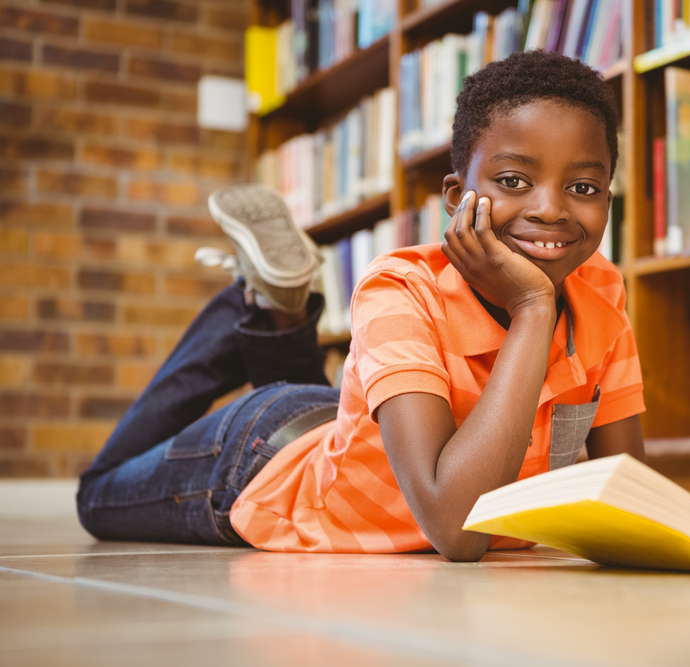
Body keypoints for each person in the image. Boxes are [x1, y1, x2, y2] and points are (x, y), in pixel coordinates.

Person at [77, 50, 646, 561]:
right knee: (97, 494)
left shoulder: (602, 292)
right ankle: (251, 309)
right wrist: (532, 309)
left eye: (584, 188)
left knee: (346, 428)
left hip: (360, 430)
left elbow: (629, 499)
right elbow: (457, 528)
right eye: (515, 179)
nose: (550, 209)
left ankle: (276, 310)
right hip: (263, 463)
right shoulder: (399, 290)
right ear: (456, 197)